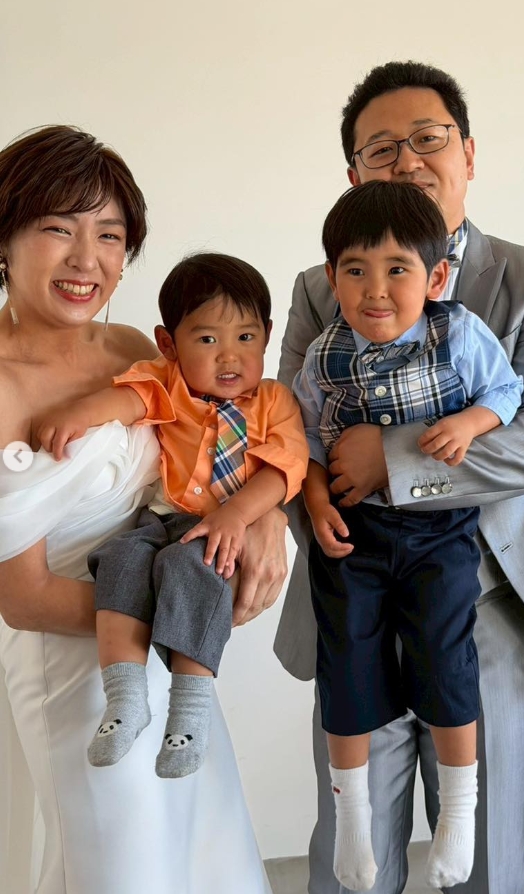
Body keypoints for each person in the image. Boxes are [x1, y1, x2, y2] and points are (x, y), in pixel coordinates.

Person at [274, 61, 524, 894]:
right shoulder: (319, 288)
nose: (406, 160)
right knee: (349, 848)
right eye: (380, 148)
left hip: (488, 594)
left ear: (468, 153)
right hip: (356, 589)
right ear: (353, 175)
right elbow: (289, 433)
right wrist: (312, 503)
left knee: (480, 856)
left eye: (427, 138)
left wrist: (393, 458)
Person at [0, 125, 283, 894]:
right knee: (123, 867)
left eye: (109, 234)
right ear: (5, 237)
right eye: (57, 228)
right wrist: (187, 606)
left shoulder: (135, 348)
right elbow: (22, 598)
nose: (85, 259)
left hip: (172, 661)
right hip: (76, 668)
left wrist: (263, 520)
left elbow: (224, 446)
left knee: (199, 852)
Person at [294, 180, 523, 891]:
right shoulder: (321, 356)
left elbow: (507, 393)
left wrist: (468, 423)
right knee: (346, 663)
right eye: (355, 270)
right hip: (353, 532)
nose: (376, 289)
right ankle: (352, 817)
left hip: (437, 530)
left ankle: (458, 809)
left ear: (436, 277)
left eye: (398, 269)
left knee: (445, 659)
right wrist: (314, 501)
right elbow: (303, 442)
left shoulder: (459, 334)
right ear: (331, 277)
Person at [36, 252, 308, 779]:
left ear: (268, 336)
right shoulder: (167, 383)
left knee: (187, 568)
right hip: (161, 518)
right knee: (119, 560)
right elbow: (128, 401)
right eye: (207, 339)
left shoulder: (274, 401)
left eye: (246, 337)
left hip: (221, 530)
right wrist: (75, 415)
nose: (229, 356)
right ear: (168, 344)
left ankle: (189, 713)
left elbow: (284, 469)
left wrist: (237, 515)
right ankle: (125, 697)